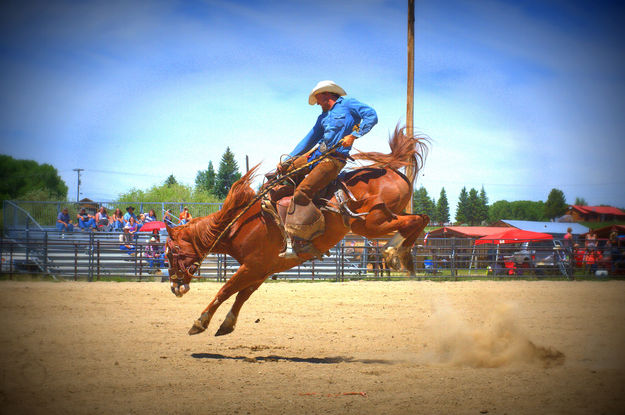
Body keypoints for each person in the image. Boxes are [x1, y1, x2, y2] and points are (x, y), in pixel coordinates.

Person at [275, 80, 377, 258]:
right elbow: (309, 139)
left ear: (325, 95)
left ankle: (301, 240)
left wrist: (354, 135)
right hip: (316, 156)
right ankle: (292, 212)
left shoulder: (348, 104)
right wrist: (288, 160)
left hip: (333, 159)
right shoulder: (323, 117)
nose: (317, 104)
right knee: (282, 173)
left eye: (318, 100)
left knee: (301, 193)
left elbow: (371, 115)